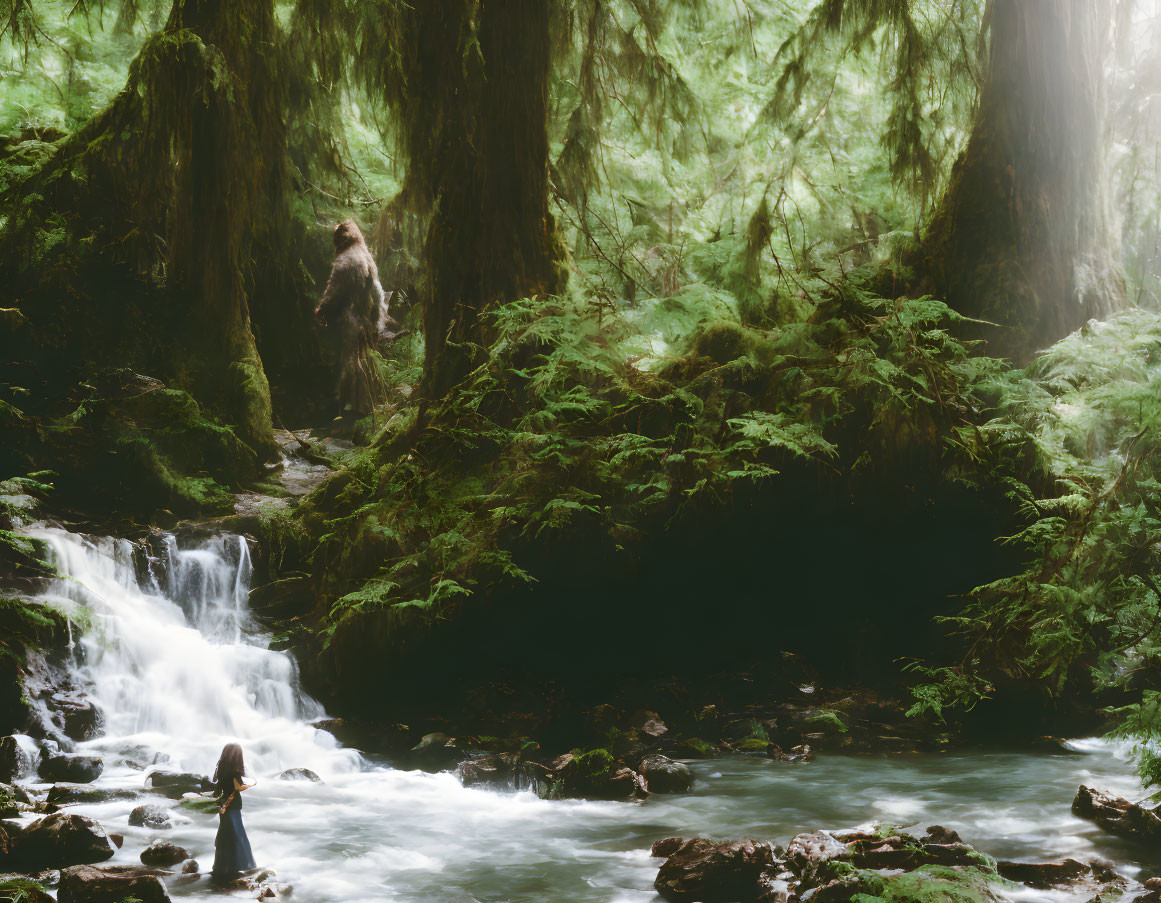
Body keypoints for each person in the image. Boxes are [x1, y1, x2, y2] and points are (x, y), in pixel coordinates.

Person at [210, 742, 257, 883]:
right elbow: (237, 787)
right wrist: (246, 785)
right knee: (236, 834)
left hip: (223, 805)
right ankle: (239, 865)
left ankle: (222, 866)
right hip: (233, 805)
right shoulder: (235, 772)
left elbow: (218, 787)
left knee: (225, 834)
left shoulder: (220, 768)